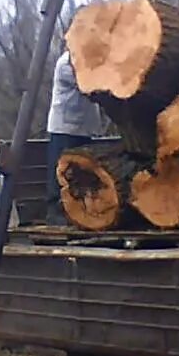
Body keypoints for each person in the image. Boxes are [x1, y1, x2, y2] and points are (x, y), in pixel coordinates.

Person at [45, 50, 104, 225]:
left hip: (84, 128)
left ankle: (81, 209)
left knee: (83, 170)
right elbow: (88, 86)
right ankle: (55, 211)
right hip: (64, 127)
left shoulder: (89, 60)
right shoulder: (66, 65)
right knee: (60, 170)